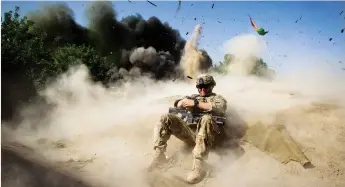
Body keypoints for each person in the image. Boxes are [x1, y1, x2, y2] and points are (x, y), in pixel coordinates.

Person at [148, 74, 227, 184]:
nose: (203, 89)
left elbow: (220, 107)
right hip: (190, 134)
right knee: (165, 118)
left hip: (209, 139)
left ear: (212, 86)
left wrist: (195, 104)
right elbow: (178, 103)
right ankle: (159, 156)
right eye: (200, 87)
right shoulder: (193, 96)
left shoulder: (217, 98)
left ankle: (199, 165)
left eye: (206, 86)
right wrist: (183, 103)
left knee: (207, 118)